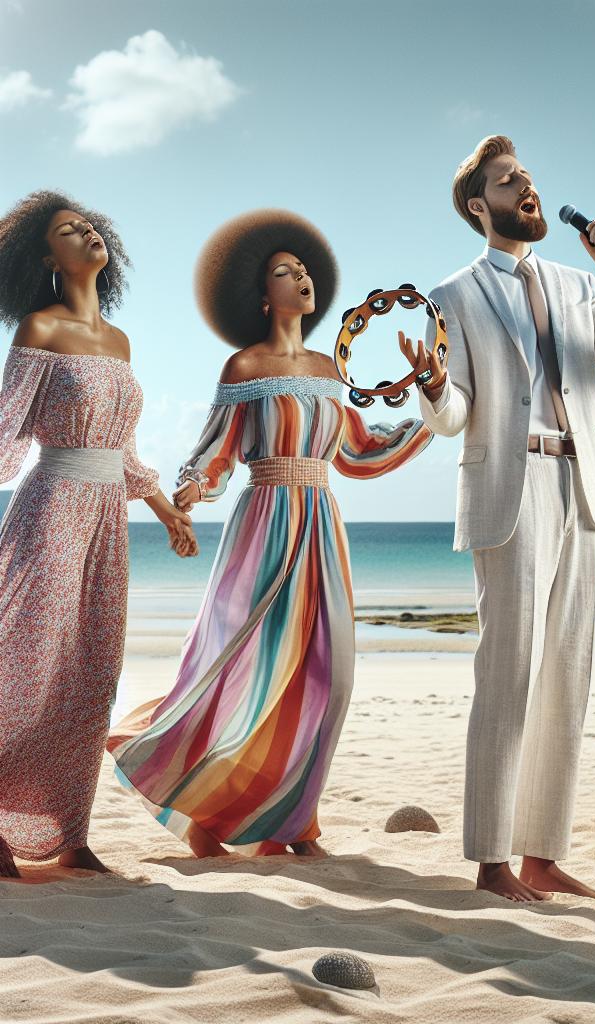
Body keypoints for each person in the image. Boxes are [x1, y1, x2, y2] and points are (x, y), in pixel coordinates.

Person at [108, 210, 431, 858]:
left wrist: (427, 409)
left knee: (328, 676)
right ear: (263, 296)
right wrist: (191, 494)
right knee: (239, 666)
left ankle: (293, 820)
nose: (301, 277)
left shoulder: (328, 368)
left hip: (322, 524)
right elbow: (216, 452)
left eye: (304, 269)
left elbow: (359, 453)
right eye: (285, 272)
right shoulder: (244, 364)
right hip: (263, 525)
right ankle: (203, 813)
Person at [402, 135, 595, 901]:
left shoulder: (584, 285)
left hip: (587, 485)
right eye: (509, 181)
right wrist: (434, 386)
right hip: (511, 491)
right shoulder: (452, 295)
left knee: (568, 678)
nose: (527, 188)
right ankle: (491, 860)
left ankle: (544, 853)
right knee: (507, 672)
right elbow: (453, 417)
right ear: (481, 206)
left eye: (529, 176)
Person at [0, 191, 196, 879]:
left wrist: (169, 511)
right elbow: (5, 437)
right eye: (66, 230)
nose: (85, 233)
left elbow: (125, 452)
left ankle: (70, 832)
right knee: (24, 672)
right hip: (50, 511)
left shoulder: (119, 341)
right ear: (43, 256)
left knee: (90, 674)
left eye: (88, 225)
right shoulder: (39, 330)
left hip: (108, 518)